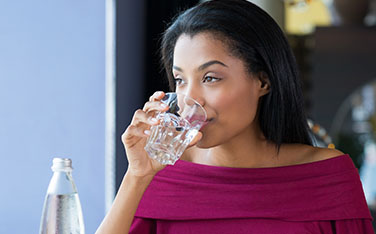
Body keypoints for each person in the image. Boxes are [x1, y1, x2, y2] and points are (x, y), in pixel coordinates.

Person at [96, 0, 374, 233]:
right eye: (180, 80)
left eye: (210, 78)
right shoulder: (159, 175)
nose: (190, 99)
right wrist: (136, 175)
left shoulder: (327, 176)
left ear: (263, 81)